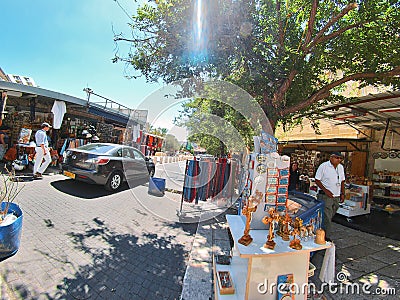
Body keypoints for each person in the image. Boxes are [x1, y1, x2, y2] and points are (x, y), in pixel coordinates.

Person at [315, 152, 345, 241]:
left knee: (331, 213)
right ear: (331, 157)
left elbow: (342, 181)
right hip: (325, 195)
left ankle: (322, 229)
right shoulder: (324, 166)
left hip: (336, 195)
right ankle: (326, 236)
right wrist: (326, 191)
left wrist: (342, 193)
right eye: (337, 158)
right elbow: (317, 180)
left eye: (340, 158)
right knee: (327, 215)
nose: (339, 160)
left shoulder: (340, 167)